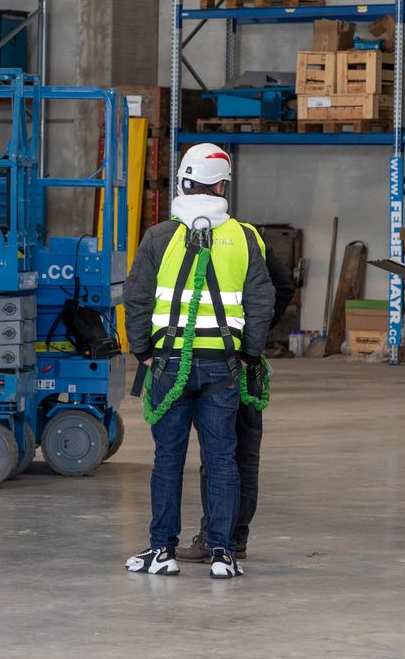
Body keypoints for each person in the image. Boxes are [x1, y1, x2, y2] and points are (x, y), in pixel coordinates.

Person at [122, 143, 275, 579]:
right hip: (224, 368)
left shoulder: (158, 236)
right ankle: (222, 551)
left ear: (184, 182)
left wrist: (143, 353)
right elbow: (262, 300)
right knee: (222, 458)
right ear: (223, 185)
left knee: (168, 458)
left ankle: (161, 551)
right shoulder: (245, 237)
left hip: (169, 364)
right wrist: (249, 355)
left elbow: (136, 297)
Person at [181, 247, 295, 563]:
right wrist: (255, 337)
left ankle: (215, 537)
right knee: (244, 453)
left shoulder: (192, 237)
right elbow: (283, 288)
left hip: (215, 358)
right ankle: (236, 538)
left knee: (217, 453)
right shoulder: (250, 237)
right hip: (248, 358)